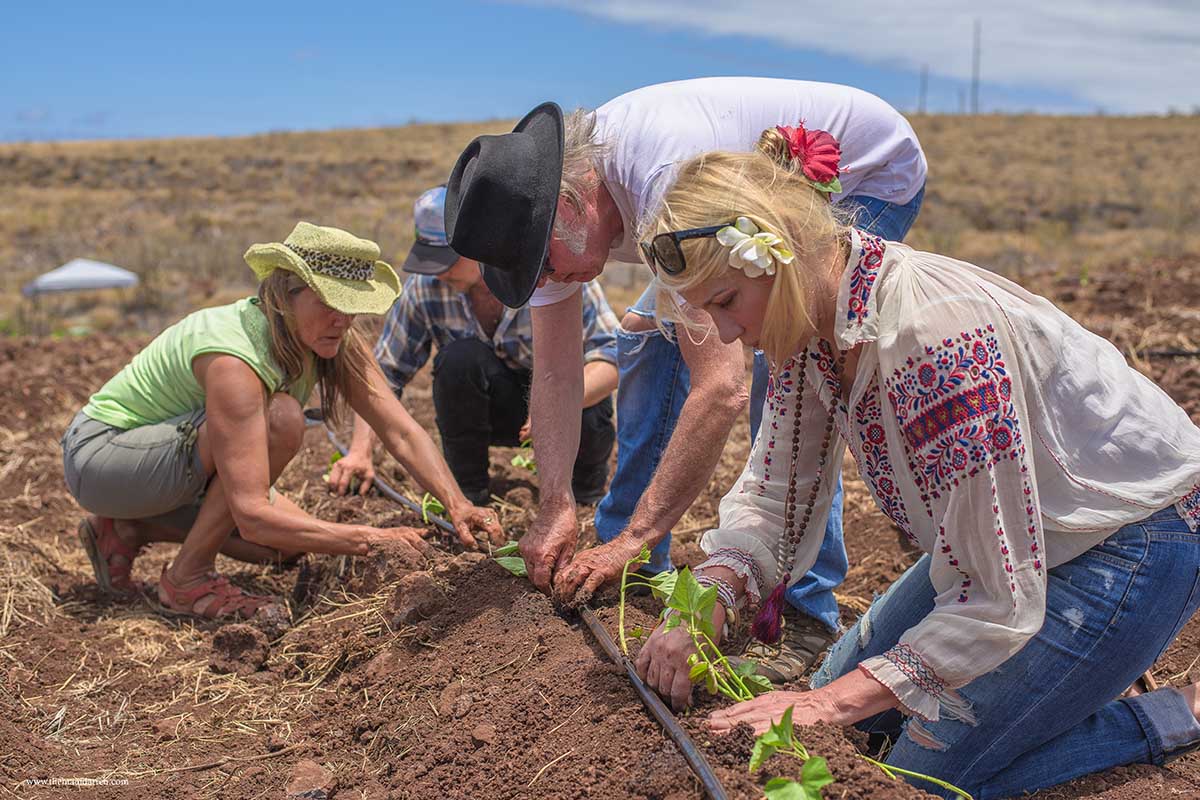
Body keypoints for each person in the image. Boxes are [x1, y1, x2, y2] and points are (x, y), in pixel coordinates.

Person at [632, 130, 1200, 798]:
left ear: (780, 254)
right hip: (1010, 550)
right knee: (831, 716)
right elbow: (776, 494)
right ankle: (1053, 690)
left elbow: (998, 599)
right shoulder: (809, 331)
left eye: (726, 302)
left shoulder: (934, 341)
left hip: (1128, 542)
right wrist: (709, 599)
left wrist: (836, 702)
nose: (726, 334)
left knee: (910, 780)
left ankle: (1170, 713)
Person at [444, 77, 926, 678]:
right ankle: (638, 566)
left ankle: (800, 609)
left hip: (864, 172)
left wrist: (639, 532)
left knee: (790, 375)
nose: (543, 282)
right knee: (645, 345)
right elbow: (556, 377)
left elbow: (721, 388)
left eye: (540, 267)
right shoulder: (548, 226)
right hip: (695, 216)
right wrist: (554, 504)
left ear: (569, 207)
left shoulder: (661, 176)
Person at [63, 222, 502, 620]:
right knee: (282, 418)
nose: (342, 319)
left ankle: (130, 527)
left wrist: (458, 504)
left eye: (352, 306)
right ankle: (186, 579)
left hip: (167, 467)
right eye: (330, 302)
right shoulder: (235, 359)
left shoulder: (334, 341)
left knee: (288, 546)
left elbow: (401, 430)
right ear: (285, 294)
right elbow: (252, 514)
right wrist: (368, 538)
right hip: (104, 458)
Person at [330, 186, 619, 506]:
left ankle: (584, 497)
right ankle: (469, 493)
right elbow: (384, 374)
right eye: (431, 261)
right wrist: (360, 451)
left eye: (447, 260)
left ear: (481, 244)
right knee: (458, 360)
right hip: (496, 408)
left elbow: (610, 355)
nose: (438, 272)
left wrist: (555, 407)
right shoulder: (426, 290)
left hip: (565, 407)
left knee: (588, 392)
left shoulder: (551, 273)